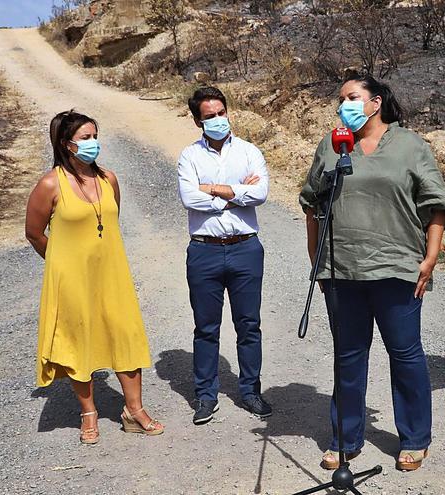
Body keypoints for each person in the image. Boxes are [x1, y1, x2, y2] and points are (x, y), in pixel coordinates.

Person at [299, 75, 445, 472]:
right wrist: (316, 258)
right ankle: (345, 437)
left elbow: (436, 204)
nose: (344, 106)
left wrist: (430, 257)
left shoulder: (410, 146)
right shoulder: (331, 144)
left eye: (352, 97)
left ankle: (415, 438)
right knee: (348, 356)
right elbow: (311, 202)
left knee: (405, 354)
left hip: (397, 267)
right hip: (341, 268)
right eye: (341, 99)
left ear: (375, 103)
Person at [26, 110, 164, 444]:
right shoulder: (50, 184)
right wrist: (61, 262)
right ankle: (88, 413)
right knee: (79, 340)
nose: (93, 143)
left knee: (125, 334)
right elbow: (34, 233)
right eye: (85, 138)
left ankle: (134, 410)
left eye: (95, 136)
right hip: (72, 279)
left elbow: (110, 221)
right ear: (66, 143)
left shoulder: (109, 179)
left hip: (112, 273)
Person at [178, 86, 271, 425]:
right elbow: (189, 198)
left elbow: (261, 193)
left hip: (245, 248)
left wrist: (213, 189)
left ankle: (250, 391)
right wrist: (235, 194)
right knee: (206, 327)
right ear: (198, 121)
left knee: (249, 325)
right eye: (210, 116)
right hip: (204, 250)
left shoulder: (248, 152)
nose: (218, 120)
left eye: (221, 113)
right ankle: (206, 395)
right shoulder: (189, 156)